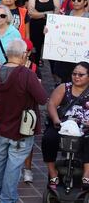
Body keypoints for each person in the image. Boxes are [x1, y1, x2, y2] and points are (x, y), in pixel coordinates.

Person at [0, 39, 47, 203]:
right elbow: (42, 98)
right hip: (22, 129)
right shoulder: (27, 74)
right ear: (23, 55)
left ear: (7, 54)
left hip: (1, 124)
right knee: (13, 165)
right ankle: (7, 198)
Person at [43, 61, 89, 190]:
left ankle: (87, 173)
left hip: (84, 127)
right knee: (49, 138)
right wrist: (56, 120)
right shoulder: (64, 87)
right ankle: (53, 173)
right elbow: (51, 104)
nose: (77, 77)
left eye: (81, 74)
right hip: (63, 125)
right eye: (74, 74)